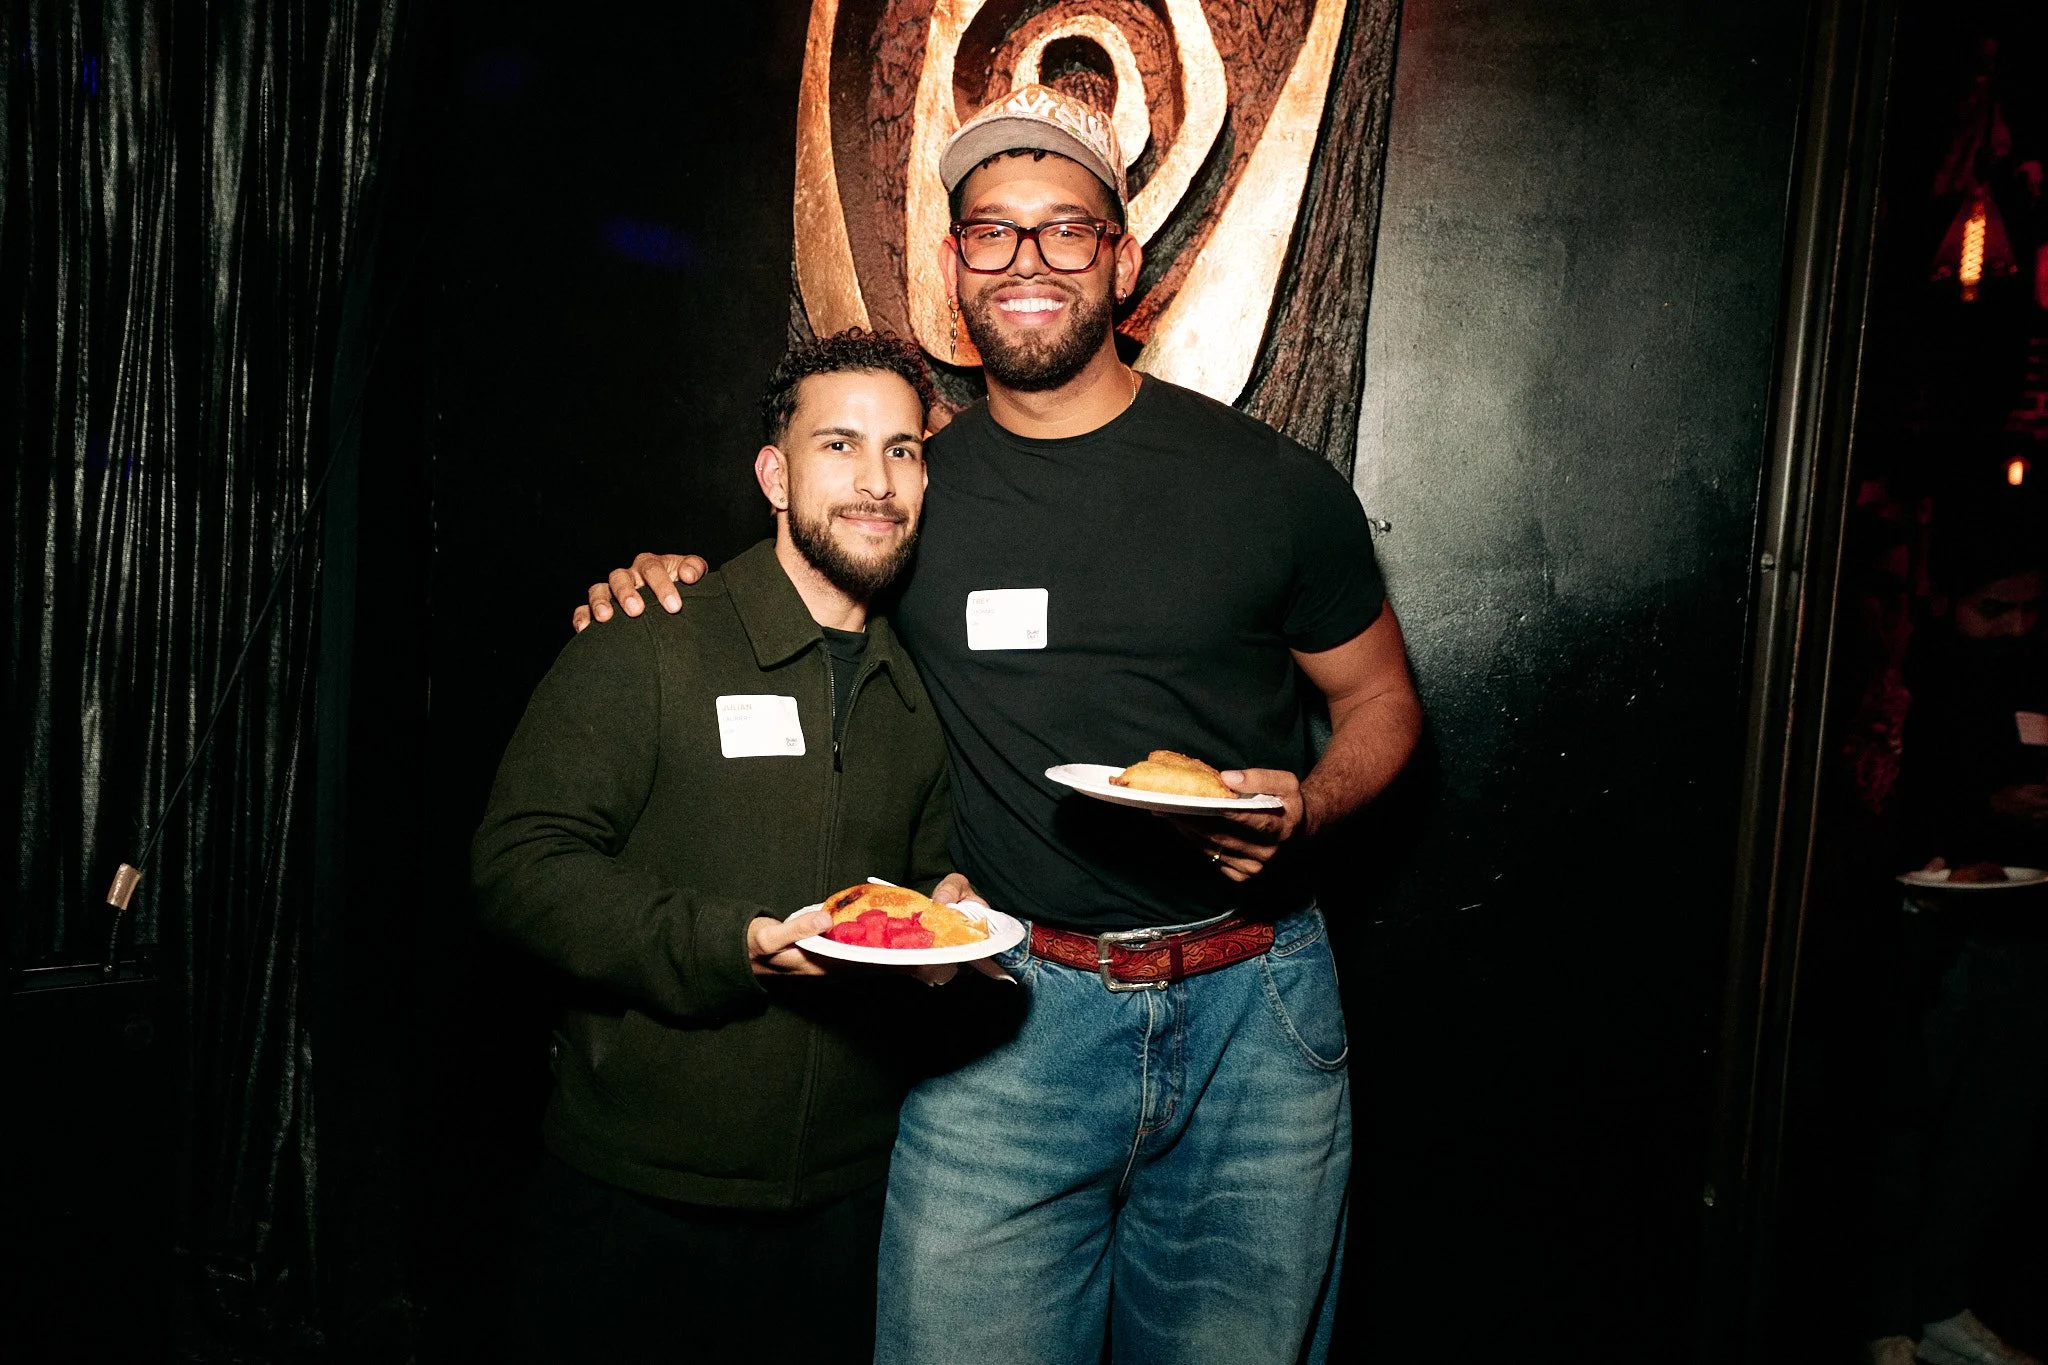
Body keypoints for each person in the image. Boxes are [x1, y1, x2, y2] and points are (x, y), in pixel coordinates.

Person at [575, 85, 1424, 1363]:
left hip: (1253, 1019)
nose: (1027, 259)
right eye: (991, 231)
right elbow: (785, 584)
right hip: (1005, 1012)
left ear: (1122, 262)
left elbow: (1380, 702)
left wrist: (1308, 803)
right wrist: (663, 582)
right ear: (953, 263)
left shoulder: (1271, 487)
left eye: (1065, 228)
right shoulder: (911, 495)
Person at [473, 329, 977, 1364]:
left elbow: (924, 878)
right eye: (838, 445)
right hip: (634, 1204)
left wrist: (948, 908)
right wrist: (727, 945)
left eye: (901, 449)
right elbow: (519, 866)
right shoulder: (650, 637)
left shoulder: (916, 693)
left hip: (844, 1213)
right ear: (774, 476)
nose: (875, 481)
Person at [1864, 497, 2048, 1365]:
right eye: (1994, 608)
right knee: (1905, 1133)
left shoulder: (2033, 671)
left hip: (2023, 933)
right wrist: (1984, 810)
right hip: (1924, 942)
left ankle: (1942, 1301)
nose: (2016, 627)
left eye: (2031, 609)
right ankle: (1886, 1315)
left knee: (1993, 1134)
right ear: (1947, 600)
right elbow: (1886, 807)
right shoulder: (1910, 670)